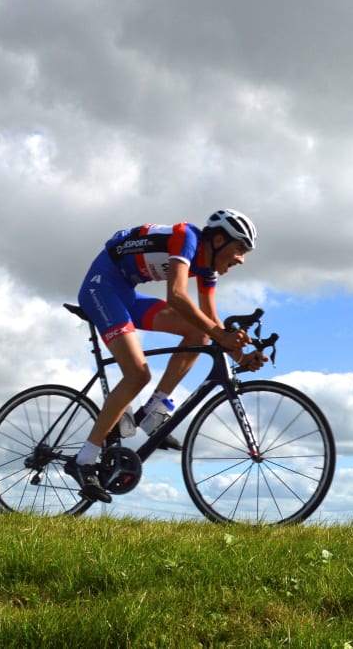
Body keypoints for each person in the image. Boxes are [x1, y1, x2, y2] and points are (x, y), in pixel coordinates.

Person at [67, 209, 268, 502]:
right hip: (101, 288)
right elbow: (176, 294)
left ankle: (154, 409)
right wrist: (221, 334)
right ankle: (83, 460)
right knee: (137, 373)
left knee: (199, 332)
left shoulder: (206, 267)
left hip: (127, 294)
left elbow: (210, 321)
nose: (241, 259)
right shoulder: (187, 237)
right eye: (238, 249)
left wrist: (241, 357)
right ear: (219, 240)